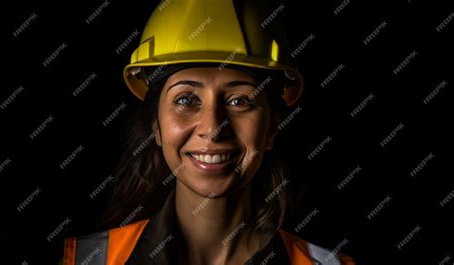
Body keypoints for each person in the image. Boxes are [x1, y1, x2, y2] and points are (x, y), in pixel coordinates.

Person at [63, 0, 355, 264]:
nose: (214, 128)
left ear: (272, 127)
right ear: (157, 125)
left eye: (240, 100)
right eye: (186, 100)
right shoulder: (86, 260)